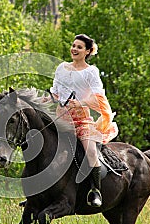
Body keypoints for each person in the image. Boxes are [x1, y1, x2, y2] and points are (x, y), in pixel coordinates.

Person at [48, 34, 118, 207]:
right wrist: (48, 98)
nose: (74, 49)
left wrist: (80, 102)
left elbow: (99, 100)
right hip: (59, 118)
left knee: (91, 151)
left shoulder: (91, 72)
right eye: (73, 45)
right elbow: (55, 94)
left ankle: (95, 191)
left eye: (79, 47)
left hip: (81, 120)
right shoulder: (61, 68)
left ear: (87, 51)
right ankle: (37, 192)